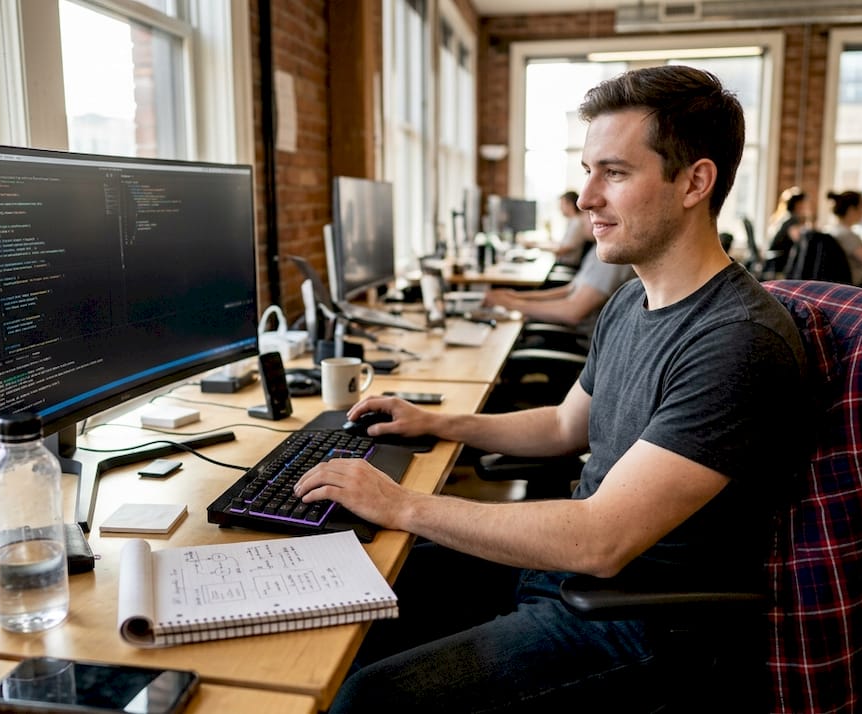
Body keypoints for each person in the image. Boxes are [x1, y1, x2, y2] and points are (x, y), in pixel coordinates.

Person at [294, 65, 812, 712]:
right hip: (564, 574)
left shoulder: (738, 341)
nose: (587, 196)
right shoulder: (631, 303)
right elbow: (566, 426)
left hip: (640, 619)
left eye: (614, 173)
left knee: (369, 699)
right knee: (346, 593)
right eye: (589, 169)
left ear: (695, 182)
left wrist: (402, 505)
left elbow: (601, 538)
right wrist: (440, 423)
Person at [480, 228, 636, 337]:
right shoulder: (597, 250)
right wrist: (516, 296)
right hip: (567, 330)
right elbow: (569, 289)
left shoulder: (612, 258)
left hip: (576, 338)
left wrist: (512, 304)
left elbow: (573, 313)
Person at [764, 186, 810, 274]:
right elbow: (800, 240)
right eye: (804, 203)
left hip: (775, 261)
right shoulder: (791, 220)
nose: (806, 207)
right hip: (780, 263)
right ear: (798, 204)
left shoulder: (783, 216)